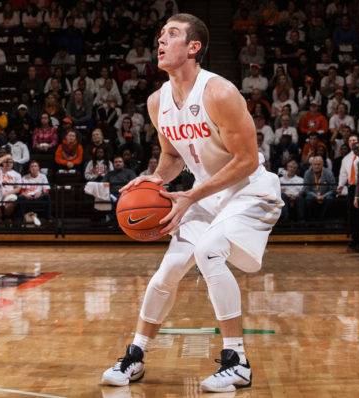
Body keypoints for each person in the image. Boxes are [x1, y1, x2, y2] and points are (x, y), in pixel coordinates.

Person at [101, 14, 283, 392]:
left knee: (209, 250)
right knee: (166, 273)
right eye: (160, 36)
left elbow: (247, 159)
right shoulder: (157, 101)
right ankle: (135, 355)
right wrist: (155, 178)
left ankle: (238, 361)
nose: (161, 41)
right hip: (205, 194)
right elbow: (173, 156)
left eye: (172, 34)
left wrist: (192, 196)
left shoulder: (219, 92)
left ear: (194, 47)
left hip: (250, 190)